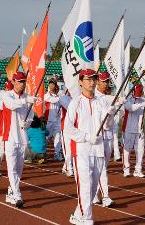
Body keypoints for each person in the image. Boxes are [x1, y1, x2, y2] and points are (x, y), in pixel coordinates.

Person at [64, 69, 118, 224]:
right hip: (82, 150)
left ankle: (77, 215)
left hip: (98, 149)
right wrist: (87, 137)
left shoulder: (100, 102)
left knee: (93, 188)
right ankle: (87, 219)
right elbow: (68, 128)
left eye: (94, 79)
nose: (92, 82)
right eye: (88, 79)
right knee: (85, 186)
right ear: (80, 82)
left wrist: (111, 114)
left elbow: (106, 126)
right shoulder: (76, 103)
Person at [2, 72, 36, 208]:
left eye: (23, 81)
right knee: (11, 168)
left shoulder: (27, 97)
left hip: (22, 137)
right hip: (9, 137)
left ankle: (11, 191)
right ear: (14, 81)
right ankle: (17, 195)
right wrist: (25, 101)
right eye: (19, 81)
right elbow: (11, 105)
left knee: (19, 169)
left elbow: (31, 115)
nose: (22, 84)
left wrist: (26, 123)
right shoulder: (7, 95)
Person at [93, 72, 118, 207]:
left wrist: (121, 103)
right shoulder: (94, 97)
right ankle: (106, 196)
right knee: (101, 167)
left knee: (102, 167)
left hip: (108, 136)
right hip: (98, 136)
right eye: (103, 81)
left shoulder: (109, 98)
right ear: (98, 81)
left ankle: (94, 193)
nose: (105, 83)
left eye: (107, 81)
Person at [122, 83, 145, 178]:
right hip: (128, 128)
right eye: (137, 93)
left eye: (139, 93)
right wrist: (141, 104)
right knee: (127, 150)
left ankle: (138, 169)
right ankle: (126, 169)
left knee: (140, 151)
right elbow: (131, 108)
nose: (138, 95)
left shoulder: (142, 100)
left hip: (139, 130)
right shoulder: (127, 99)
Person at [0, 80, 14, 177]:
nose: (8, 90)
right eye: (7, 89)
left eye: (9, 89)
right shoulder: (2, 99)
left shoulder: (12, 98)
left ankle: (12, 170)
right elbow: (3, 106)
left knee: (12, 151)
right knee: (1, 151)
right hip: (2, 130)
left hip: (12, 130)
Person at [44, 77, 63, 161]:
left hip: (57, 121)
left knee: (58, 137)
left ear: (55, 86)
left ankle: (57, 153)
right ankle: (41, 153)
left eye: (53, 84)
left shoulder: (59, 96)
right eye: (50, 84)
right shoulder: (46, 95)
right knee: (46, 138)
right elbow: (52, 100)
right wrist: (61, 98)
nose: (52, 85)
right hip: (48, 121)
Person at [60, 90, 73, 177]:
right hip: (66, 127)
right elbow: (70, 107)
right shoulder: (63, 97)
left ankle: (65, 166)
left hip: (76, 128)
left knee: (72, 150)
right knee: (68, 150)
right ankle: (69, 168)